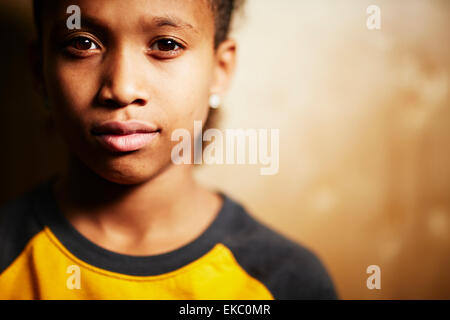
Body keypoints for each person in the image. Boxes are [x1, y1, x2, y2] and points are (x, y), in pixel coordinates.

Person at [0, 0, 338, 299]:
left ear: (220, 70)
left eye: (166, 44)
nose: (122, 88)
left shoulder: (285, 281)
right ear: (39, 71)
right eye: (82, 43)